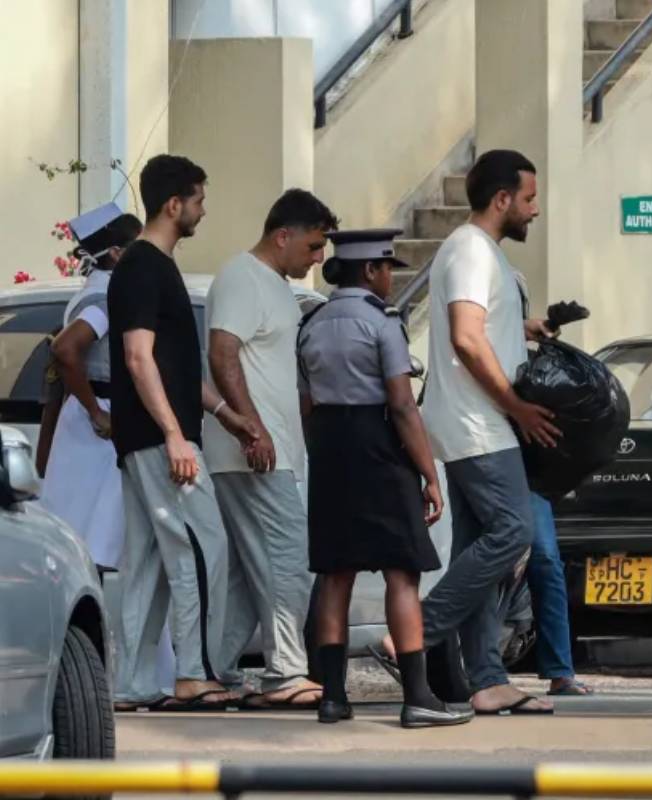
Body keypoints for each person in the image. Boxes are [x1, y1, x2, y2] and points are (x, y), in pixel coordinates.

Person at [298, 229, 471, 729]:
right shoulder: (381, 324)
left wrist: (324, 452)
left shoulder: (311, 323)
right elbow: (400, 403)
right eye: (388, 268)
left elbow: (306, 403)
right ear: (371, 270)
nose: (391, 277)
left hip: (329, 447)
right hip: (378, 445)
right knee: (402, 571)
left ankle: (332, 696)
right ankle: (418, 696)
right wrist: (429, 473)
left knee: (335, 573)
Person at [108, 154, 259, 712]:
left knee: (147, 563)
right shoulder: (144, 266)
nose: (202, 210)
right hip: (158, 441)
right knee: (203, 547)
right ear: (175, 204)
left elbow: (173, 366)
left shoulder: (151, 266)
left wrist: (226, 414)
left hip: (148, 438)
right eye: (198, 200)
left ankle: (132, 683)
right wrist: (174, 435)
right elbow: (137, 357)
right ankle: (195, 673)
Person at [419, 149, 559, 716]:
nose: (535, 210)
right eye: (529, 199)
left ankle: (486, 678)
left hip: (476, 422)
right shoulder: (471, 250)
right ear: (502, 200)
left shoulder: (480, 255)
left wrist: (525, 326)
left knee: (480, 547)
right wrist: (518, 407)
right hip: (480, 424)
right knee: (512, 532)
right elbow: (466, 339)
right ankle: (416, 632)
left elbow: (484, 326)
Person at [206, 189, 338, 709]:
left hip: (271, 449)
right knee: (289, 559)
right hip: (255, 453)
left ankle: (211, 671)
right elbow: (222, 353)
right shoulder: (242, 276)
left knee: (247, 574)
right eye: (312, 246)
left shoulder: (277, 287)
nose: (318, 258)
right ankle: (285, 671)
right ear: (282, 236)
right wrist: (251, 429)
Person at [41, 204, 177, 699]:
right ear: (116, 252)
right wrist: (97, 413)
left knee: (99, 557)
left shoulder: (93, 289)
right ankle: (129, 676)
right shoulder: (104, 294)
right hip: (100, 431)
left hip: (88, 430)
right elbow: (65, 350)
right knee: (117, 556)